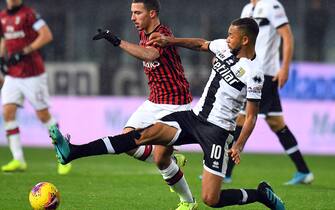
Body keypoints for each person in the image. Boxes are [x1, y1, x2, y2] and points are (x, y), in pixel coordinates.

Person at [49, 18, 286, 209]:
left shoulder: (254, 74)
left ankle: (261, 195)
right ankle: (74, 152)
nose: (226, 38)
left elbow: (252, 116)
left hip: (218, 132)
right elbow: (200, 44)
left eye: (231, 35)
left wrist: (239, 145)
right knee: (139, 136)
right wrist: (169, 41)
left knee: (211, 199)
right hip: (194, 118)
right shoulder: (224, 47)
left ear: (245, 40)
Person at [92, 0, 196, 209]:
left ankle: (188, 202)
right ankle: (173, 159)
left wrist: (116, 41)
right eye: (132, 13)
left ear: (152, 13)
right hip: (155, 100)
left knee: (160, 161)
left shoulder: (161, 33)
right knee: (126, 141)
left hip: (175, 103)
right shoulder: (143, 32)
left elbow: (151, 54)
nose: (133, 18)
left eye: (137, 13)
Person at [224, 0, 314, 185]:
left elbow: (287, 36)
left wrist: (285, 68)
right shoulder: (247, 9)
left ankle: (225, 172)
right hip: (249, 70)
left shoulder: (272, 6)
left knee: (241, 118)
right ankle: (304, 171)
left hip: (264, 72)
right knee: (276, 122)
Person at [0, 0, 72, 175]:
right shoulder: (2, 17)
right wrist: (2, 60)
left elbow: (46, 35)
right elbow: (3, 39)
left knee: (43, 115)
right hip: (13, 74)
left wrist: (24, 51)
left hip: (33, 73)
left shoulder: (29, 14)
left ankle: (64, 156)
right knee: (8, 112)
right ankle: (18, 159)